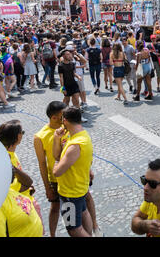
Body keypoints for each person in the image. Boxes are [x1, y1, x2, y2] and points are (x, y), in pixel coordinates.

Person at [52, 106, 94, 237]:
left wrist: (56, 164)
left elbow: (57, 171)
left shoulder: (75, 145)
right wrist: (56, 139)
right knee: (84, 212)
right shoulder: (82, 135)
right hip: (80, 186)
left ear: (65, 121)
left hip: (70, 192)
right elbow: (58, 155)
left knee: (74, 229)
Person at [34, 101, 67, 237]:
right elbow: (42, 164)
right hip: (56, 179)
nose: (65, 118)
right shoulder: (40, 136)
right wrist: (47, 188)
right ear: (54, 118)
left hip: (74, 175)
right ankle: (52, 235)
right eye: (62, 116)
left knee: (83, 204)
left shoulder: (68, 127)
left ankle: (93, 226)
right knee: (55, 208)